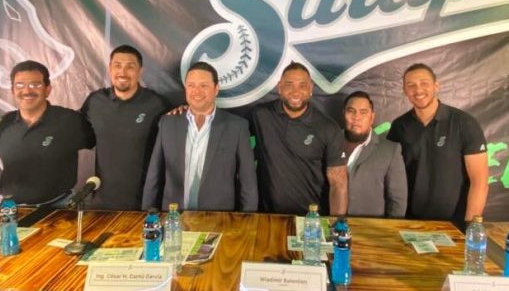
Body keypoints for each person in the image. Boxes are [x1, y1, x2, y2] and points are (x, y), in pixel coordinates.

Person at [141, 62, 257, 211]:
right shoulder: (167, 123)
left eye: (204, 85)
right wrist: (147, 215)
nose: (196, 91)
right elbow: (154, 176)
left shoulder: (237, 127)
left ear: (216, 89)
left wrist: (248, 219)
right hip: (174, 218)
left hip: (218, 217)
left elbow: (248, 182)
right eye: (191, 85)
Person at [387, 63, 488, 223]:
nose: (418, 90)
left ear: (436, 86)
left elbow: (480, 182)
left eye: (424, 83)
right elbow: (390, 177)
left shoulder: (464, 123)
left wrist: (470, 227)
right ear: (405, 91)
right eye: (411, 85)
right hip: (410, 222)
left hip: (455, 223)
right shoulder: (399, 126)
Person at [0, 60, 95, 206]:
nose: (27, 91)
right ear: (12, 90)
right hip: (11, 209)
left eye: (35, 85)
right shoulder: (4, 123)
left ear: (48, 89)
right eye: (20, 85)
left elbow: (103, 143)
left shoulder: (69, 120)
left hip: (60, 206)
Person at [249, 62, 348, 215]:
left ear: (311, 88)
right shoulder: (260, 115)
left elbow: (338, 182)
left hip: (311, 219)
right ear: (279, 87)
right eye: (289, 85)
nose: (295, 92)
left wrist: (337, 222)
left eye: (302, 86)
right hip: (268, 216)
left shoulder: (328, 127)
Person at [81, 45, 170, 210]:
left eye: (130, 67)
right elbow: (76, 134)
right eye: (117, 65)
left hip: (143, 203)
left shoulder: (156, 104)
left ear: (140, 71)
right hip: (101, 203)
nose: (122, 72)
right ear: (110, 69)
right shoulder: (95, 101)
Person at [342, 91, 407, 218]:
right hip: (331, 225)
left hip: (370, 226)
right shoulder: (329, 143)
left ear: (372, 117)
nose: (356, 117)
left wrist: (391, 228)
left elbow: (397, 201)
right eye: (351, 111)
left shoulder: (390, 149)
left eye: (363, 112)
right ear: (344, 114)